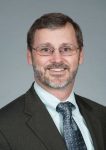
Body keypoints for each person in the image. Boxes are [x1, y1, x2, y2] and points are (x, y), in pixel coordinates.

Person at [0, 13, 105, 150]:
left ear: (80, 56)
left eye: (66, 49)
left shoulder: (102, 116)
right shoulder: (4, 126)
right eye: (45, 50)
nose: (57, 59)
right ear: (29, 56)